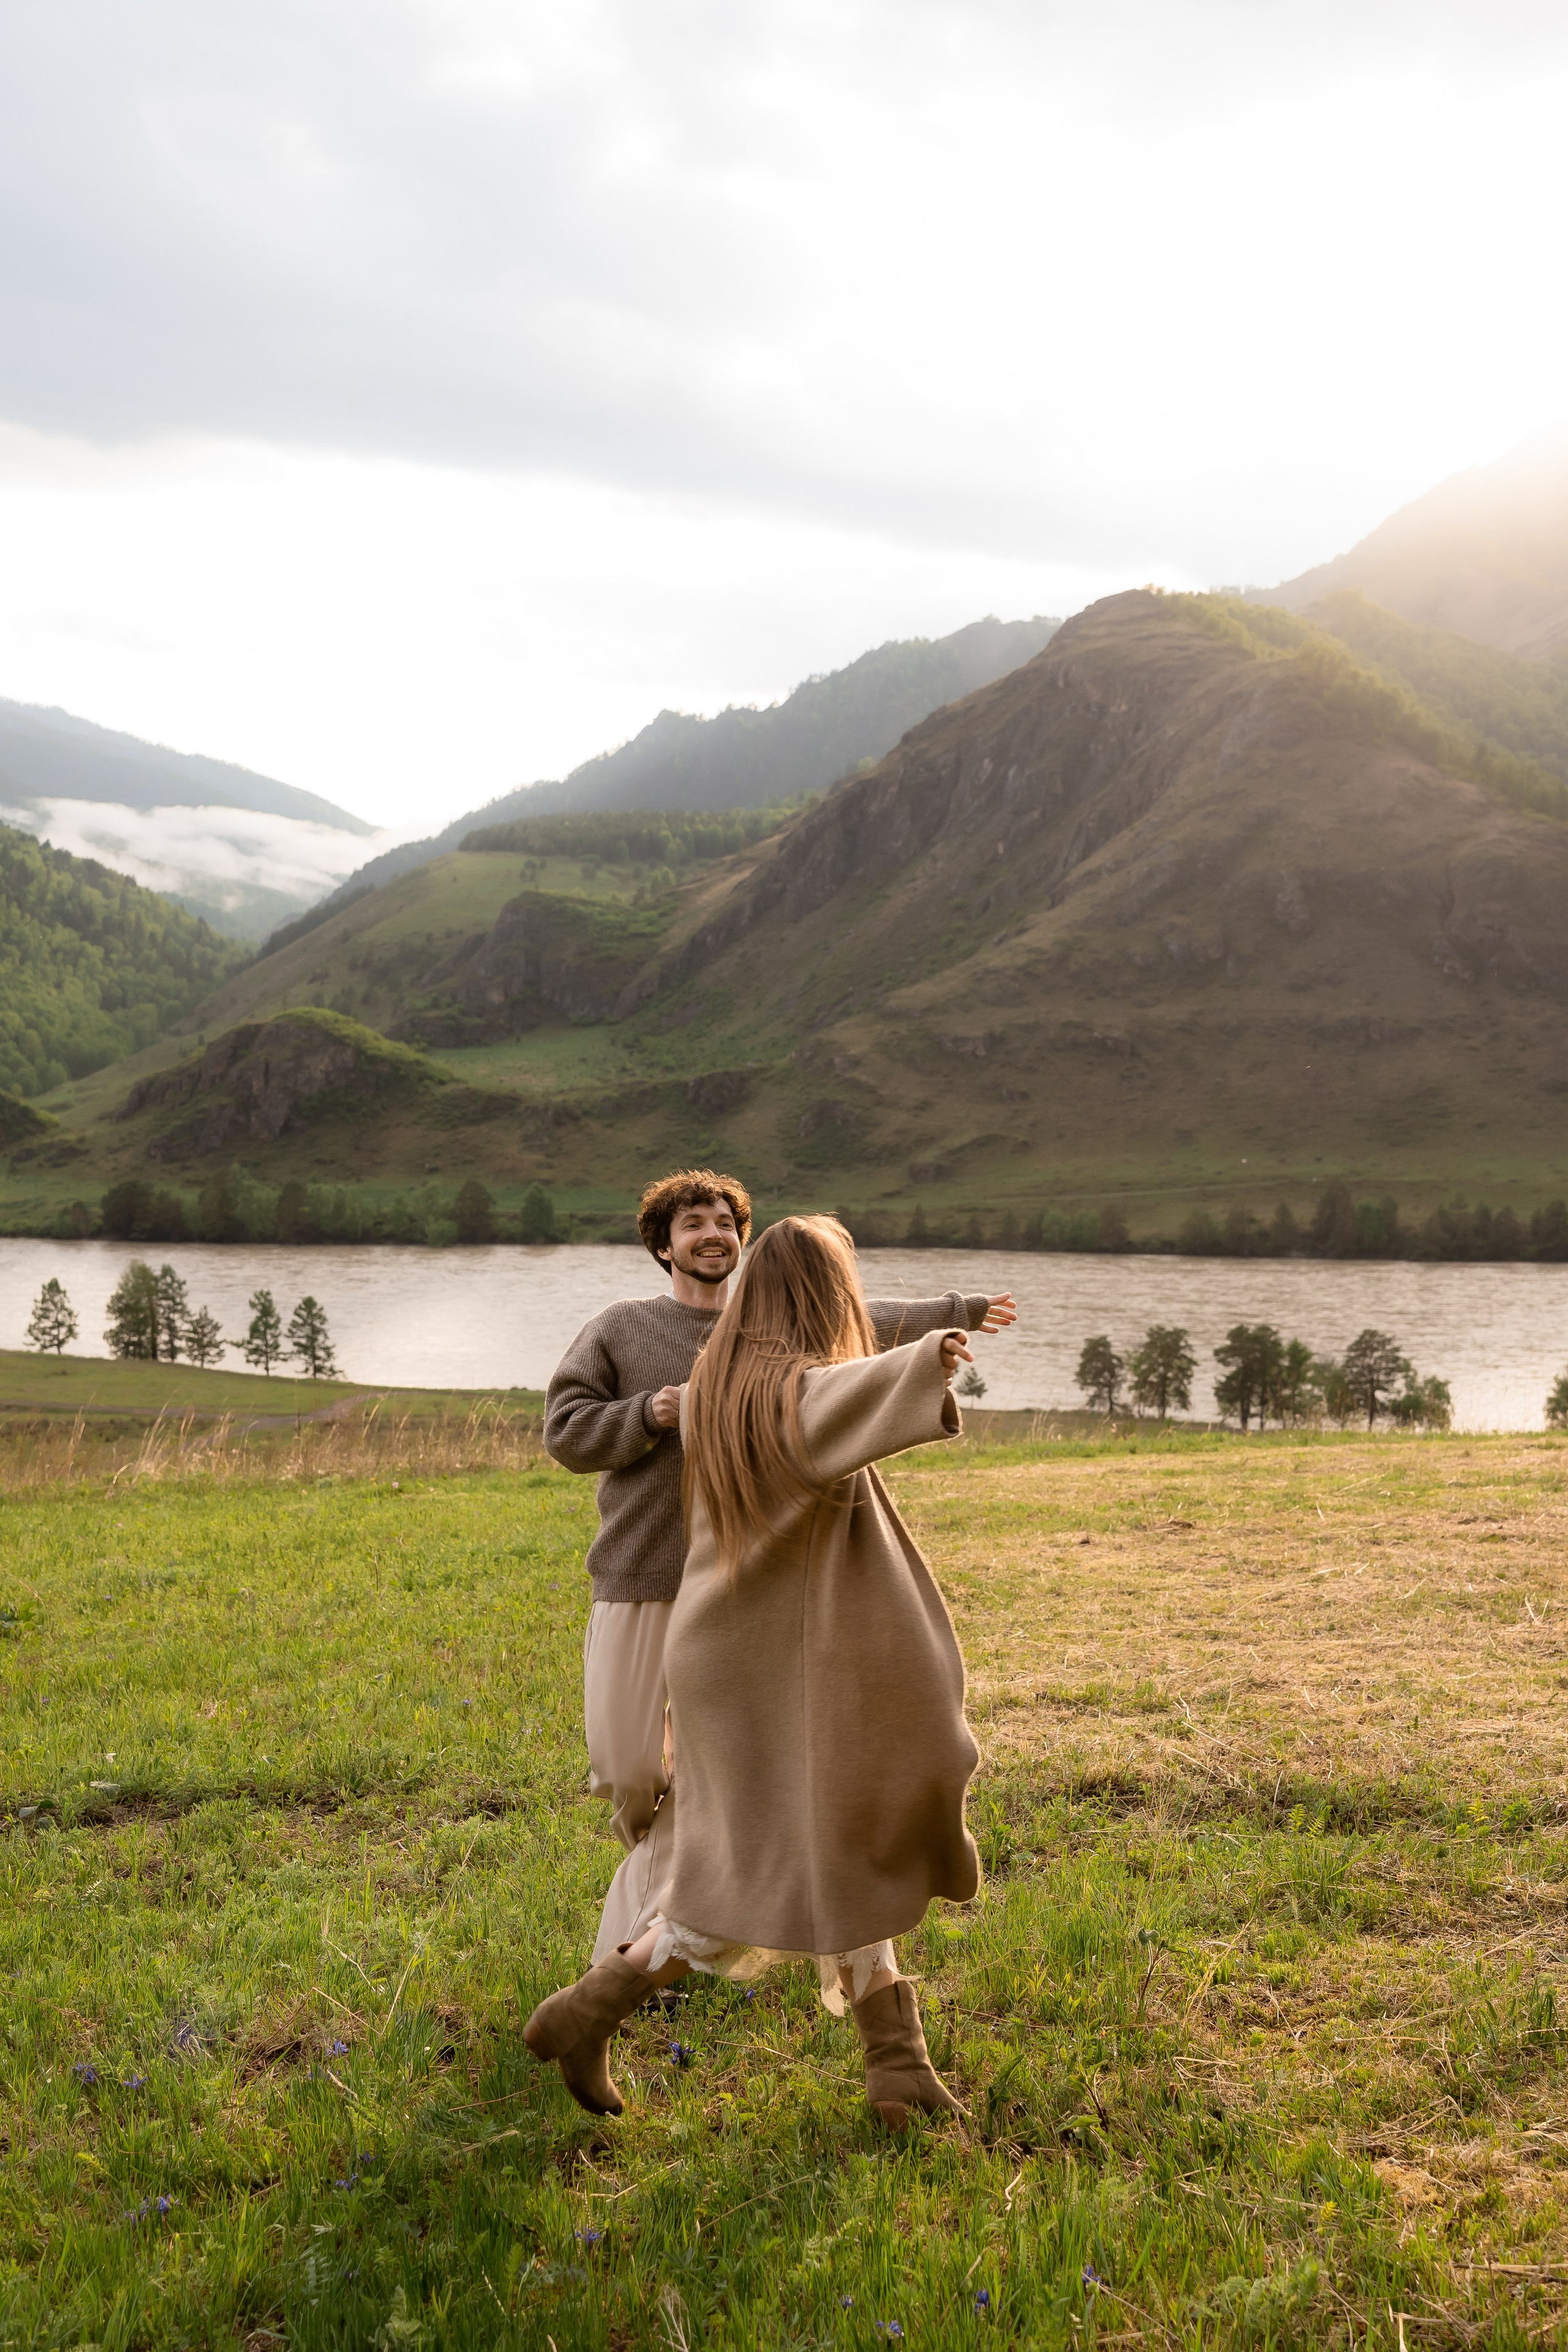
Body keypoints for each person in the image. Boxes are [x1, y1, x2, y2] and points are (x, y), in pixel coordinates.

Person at [527, 1214, 982, 2128]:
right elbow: (839, 1398)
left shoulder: (714, 1387)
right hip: (777, 1673)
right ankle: (589, 2009)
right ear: (821, 1297)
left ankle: (898, 2069)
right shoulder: (786, 1395)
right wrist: (933, 1352)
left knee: (831, 1852)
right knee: (745, 1880)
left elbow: (830, 1392)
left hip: (740, 1662)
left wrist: (934, 1324)